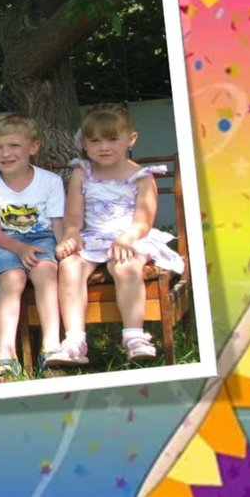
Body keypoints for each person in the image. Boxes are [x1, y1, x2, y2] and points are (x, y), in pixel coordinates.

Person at [53, 103, 185, 365]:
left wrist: (126, 238)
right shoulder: (82, 172)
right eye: (95, 141)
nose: (104, 147)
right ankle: (75, 341)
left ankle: (134, 337)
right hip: (93, 236)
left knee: (126, 265)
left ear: (130, 139)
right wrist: (72, 233)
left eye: (112, 139)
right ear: (84, 144)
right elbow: (74, 214)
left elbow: (143, 221)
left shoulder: (141, 177)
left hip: (131, 237)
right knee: (69, 266)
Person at [0, 114, 65, 382]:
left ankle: (51, 349)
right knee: (12, 279)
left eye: (14, 145)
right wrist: (18, 248)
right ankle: (6, 357)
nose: (6, 153)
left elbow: (57, 222)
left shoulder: (50, 181)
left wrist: (63, 249)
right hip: (5, 241)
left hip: (42, 238)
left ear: (33, 147)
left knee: (46, 273)